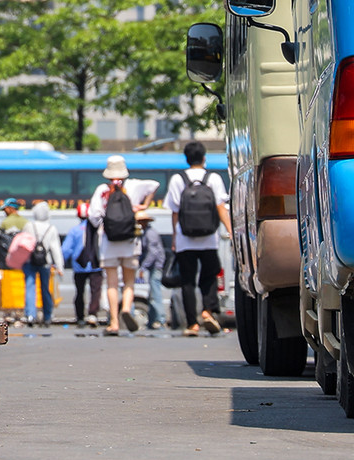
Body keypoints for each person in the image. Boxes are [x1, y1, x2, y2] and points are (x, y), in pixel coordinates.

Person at [164, 141, 231, 336]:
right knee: (209, 277)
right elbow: (220, 207)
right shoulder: (213, 178)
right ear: (204, 158)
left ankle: (192, 324)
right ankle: (207, 311)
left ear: (186, 159)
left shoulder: (178, 179)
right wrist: (230, 230)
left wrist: (175, 238)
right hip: (209, 238)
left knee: (187, 281)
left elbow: (175, 212)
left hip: (185, 239)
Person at [89, 155, 150, 335]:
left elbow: (93, 217)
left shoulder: (102, 189)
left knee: (112, 284)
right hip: (131, 242)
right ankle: (126, 308)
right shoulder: (132, 186)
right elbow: (154, 185)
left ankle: (114, 322)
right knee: (129, 281)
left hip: (109, 242)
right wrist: (141, 206)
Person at [20, 199, 61, 327]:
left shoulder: (29, 226)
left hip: (29, 261)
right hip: (45, 262)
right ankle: (47, 316)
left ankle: (31, 315)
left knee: (30, 287)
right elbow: (56, 249)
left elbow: (23, 245)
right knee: (46, 289)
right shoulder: (51, 228)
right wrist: (60, 267)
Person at [63, 209, 103, 326]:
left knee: (79, 292)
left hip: (79, 266)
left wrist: (60, 264)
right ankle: (92, 314)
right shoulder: (99, 229)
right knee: (96, 291)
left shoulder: (75, 231)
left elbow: (66, 249)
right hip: (96, 265)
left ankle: (80, 317)